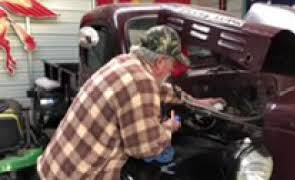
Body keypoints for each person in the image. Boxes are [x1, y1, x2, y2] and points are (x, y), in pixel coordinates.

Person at [37, 25, 225, 180]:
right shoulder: (141, 82)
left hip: (57, 165)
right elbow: (144, 148)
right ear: (160, 62)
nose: (172, 69)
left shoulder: (127, 62)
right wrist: (169, 127)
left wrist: (197, 102)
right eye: (172, 64)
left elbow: (162, 90)